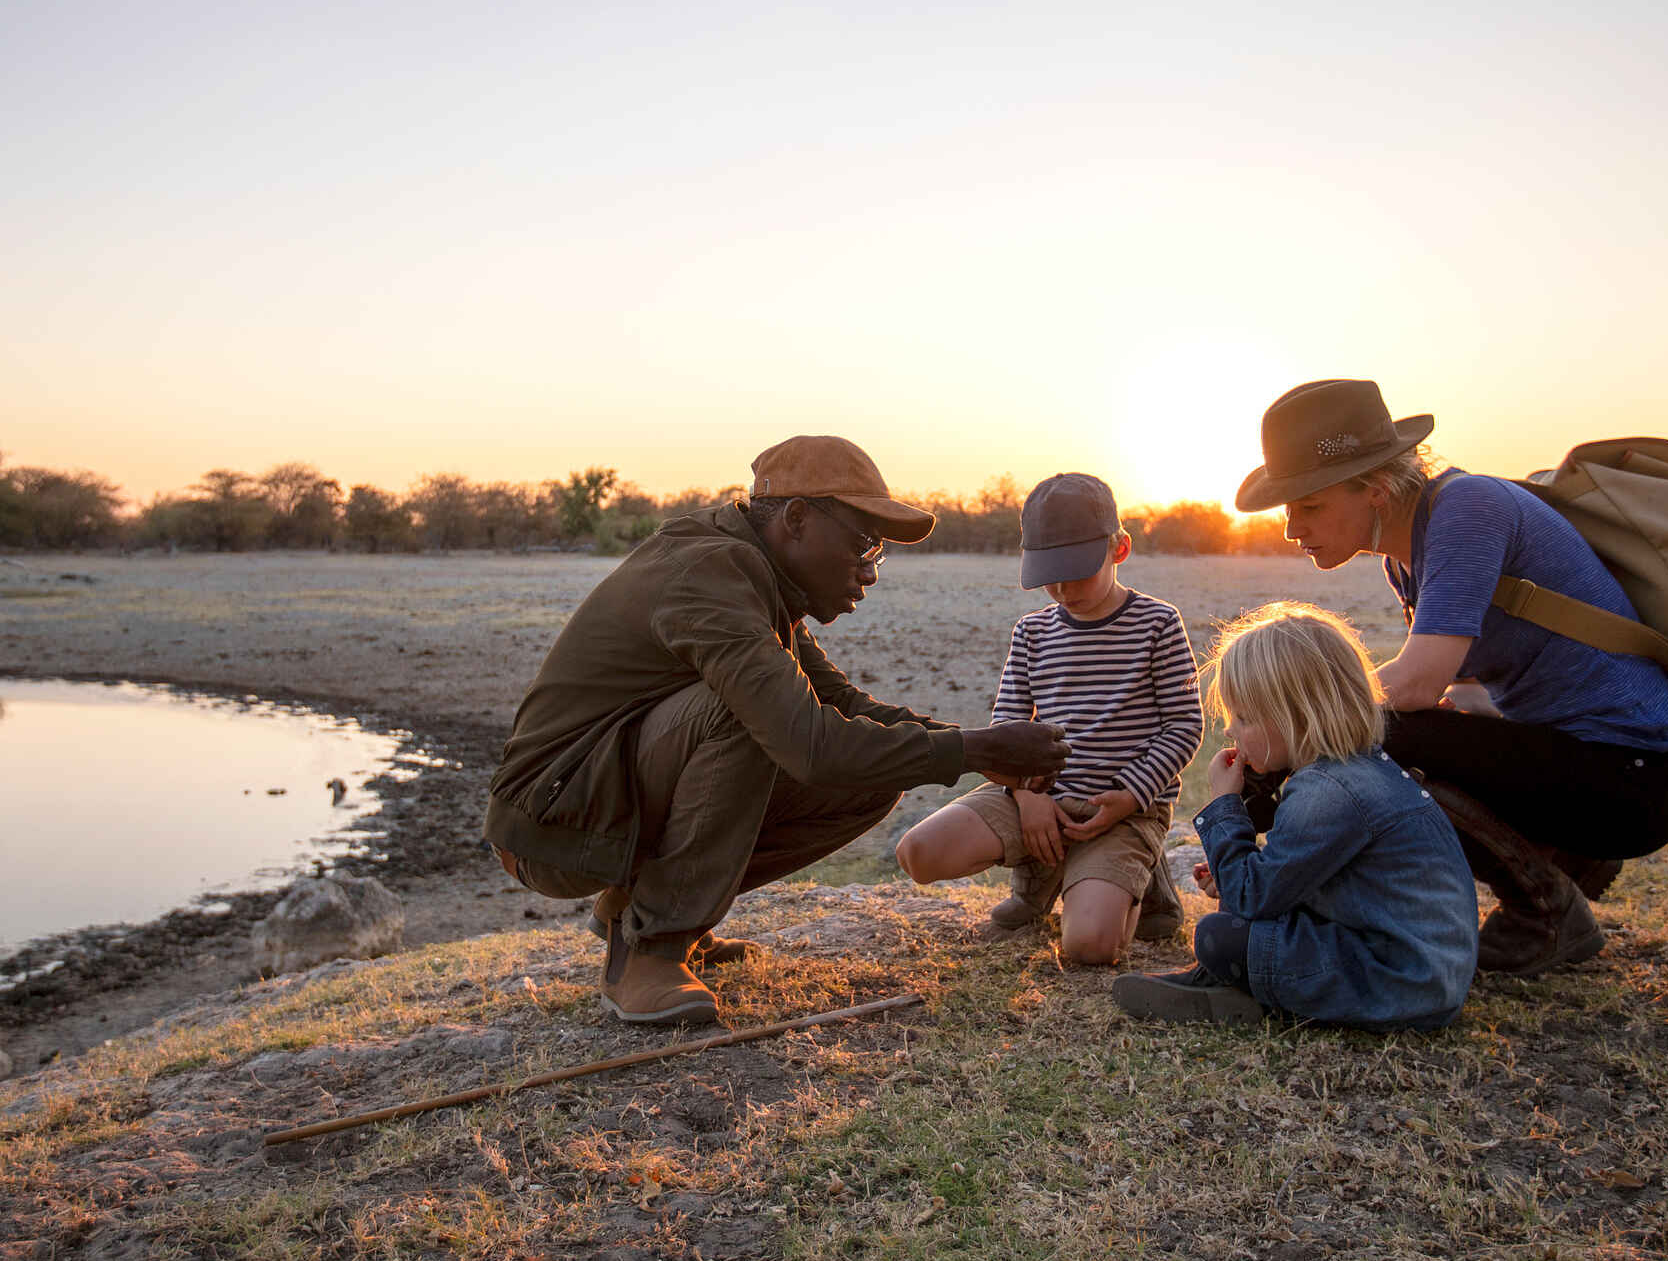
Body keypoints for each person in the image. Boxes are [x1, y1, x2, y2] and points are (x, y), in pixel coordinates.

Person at [483, 435, 1070, 1026]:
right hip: (552, 823)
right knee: (748, 716)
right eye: (863, 543)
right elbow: (811, 745)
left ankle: (650, 912)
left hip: (602, 801)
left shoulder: (754, 576)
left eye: (879, 552)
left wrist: (976, 748)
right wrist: (974, 749)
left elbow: (844, 705)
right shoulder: (711, 572)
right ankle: (650, 948)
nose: (869, 569)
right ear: (796, 519)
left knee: (871, 777)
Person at [1231, 379, 1668, 976]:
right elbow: (1467, 696)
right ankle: (1563, 860)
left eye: (1309, 505)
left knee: (1386, 737)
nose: (1292, 529)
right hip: (1594, 768)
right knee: (1392, 736)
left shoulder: (1466, 511)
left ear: (1375, 488)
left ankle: (1546, 910)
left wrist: (1289, 731)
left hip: (1634, 783)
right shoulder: (1409, 556)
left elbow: (1417, 686)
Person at [1112, 602, 1478, 1027]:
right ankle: (1224, 987)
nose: (1230, 730)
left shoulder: (1330, 790)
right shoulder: (1355, 769)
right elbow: (1300, 879)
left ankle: (1245, 993)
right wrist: (1237, 874)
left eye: (1244, 717)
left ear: (1298, 718)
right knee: (1235, 929)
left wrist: (1223, 805)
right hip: (1420, 972)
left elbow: (1253, 897)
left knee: (1219, 937)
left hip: (1399, 983)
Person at [893, 473, 1202, 963]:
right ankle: (1041, 875)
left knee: (1089, 947)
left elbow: (1185, 725)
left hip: (1123, 807)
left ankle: (1144, 878)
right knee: (918, 854)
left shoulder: (1159, 623)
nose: (1061, 589)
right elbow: (1007, 727)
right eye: (1047, 576)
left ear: (1119, 549)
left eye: (1075, 572)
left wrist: (1130, 797)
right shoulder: (1032, 632)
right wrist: (1025, 797)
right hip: (1038, 799)